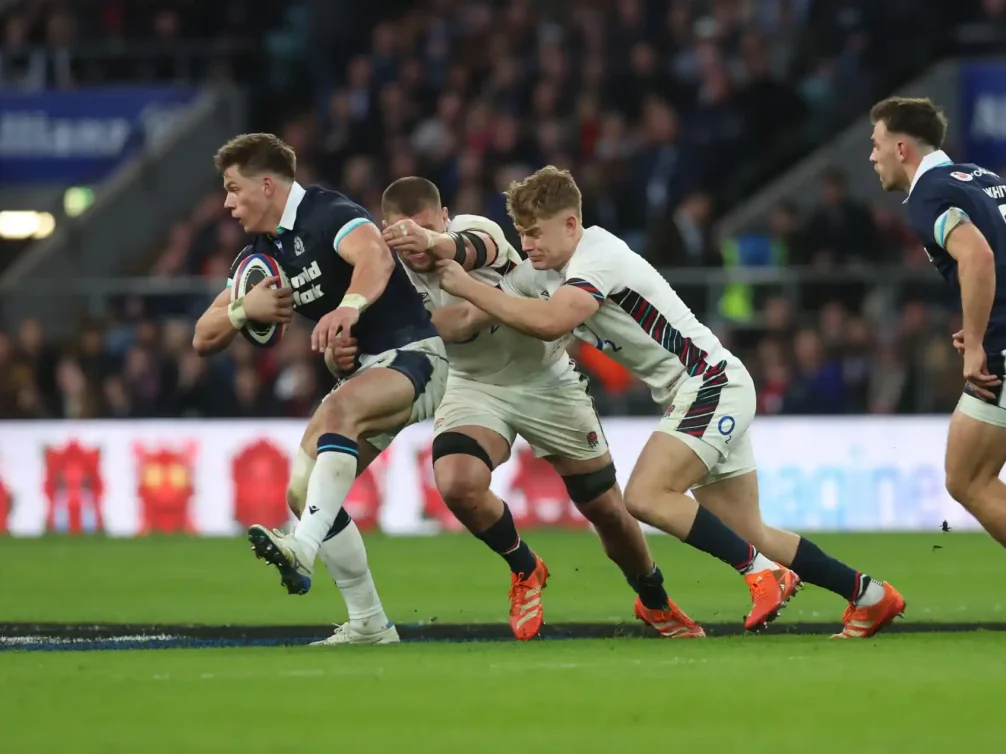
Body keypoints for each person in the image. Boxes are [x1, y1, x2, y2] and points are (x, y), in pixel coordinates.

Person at [436, 165, 905, 638]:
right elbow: (465, 320)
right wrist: (423, 289)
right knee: (752, 533)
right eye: (521, 234)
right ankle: (868, 594)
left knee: (645, 496)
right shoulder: (539, 273)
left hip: (710, 383)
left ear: (571, 224)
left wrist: (468, 284)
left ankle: (764, 573)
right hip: (702, 391)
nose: (527, 244)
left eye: (536, 233)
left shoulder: (598, 254)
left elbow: (552, 321)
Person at [331, 176, 702, 639]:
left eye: (426, 227)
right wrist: (343, 353)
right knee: (457, 482)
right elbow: (358, 345)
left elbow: (468, 274)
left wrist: (432, 257)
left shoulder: (476, 230)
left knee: (606, 508)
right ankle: (525, 567)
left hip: (545, 378)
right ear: (385, 230)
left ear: (445, 217)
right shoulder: (383, 277)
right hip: (473, 384)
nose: (415, 242)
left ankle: (653, 598)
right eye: (403, 233)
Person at [192, 133, 449, 645]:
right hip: (364, 372)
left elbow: (375, 257)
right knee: (303, 491)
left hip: (416, 353)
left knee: (339, 413)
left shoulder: (326, 212)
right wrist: (243, 310)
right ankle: (369, 622)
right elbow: (203, 337)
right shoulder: (263, 256)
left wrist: (348, 308)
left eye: (234, 189)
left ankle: (301, 549)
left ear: (268, 185)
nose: (227, 203)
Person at [871, 96, 1006, 550]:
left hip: (1002, 348)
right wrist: (978, 322)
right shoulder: (982, 178)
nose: (872, 156)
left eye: (877, 144)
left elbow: (978, 256)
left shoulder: (928, 194)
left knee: (968, 478)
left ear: (902, 149)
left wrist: (978, 343)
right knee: (967, 475)